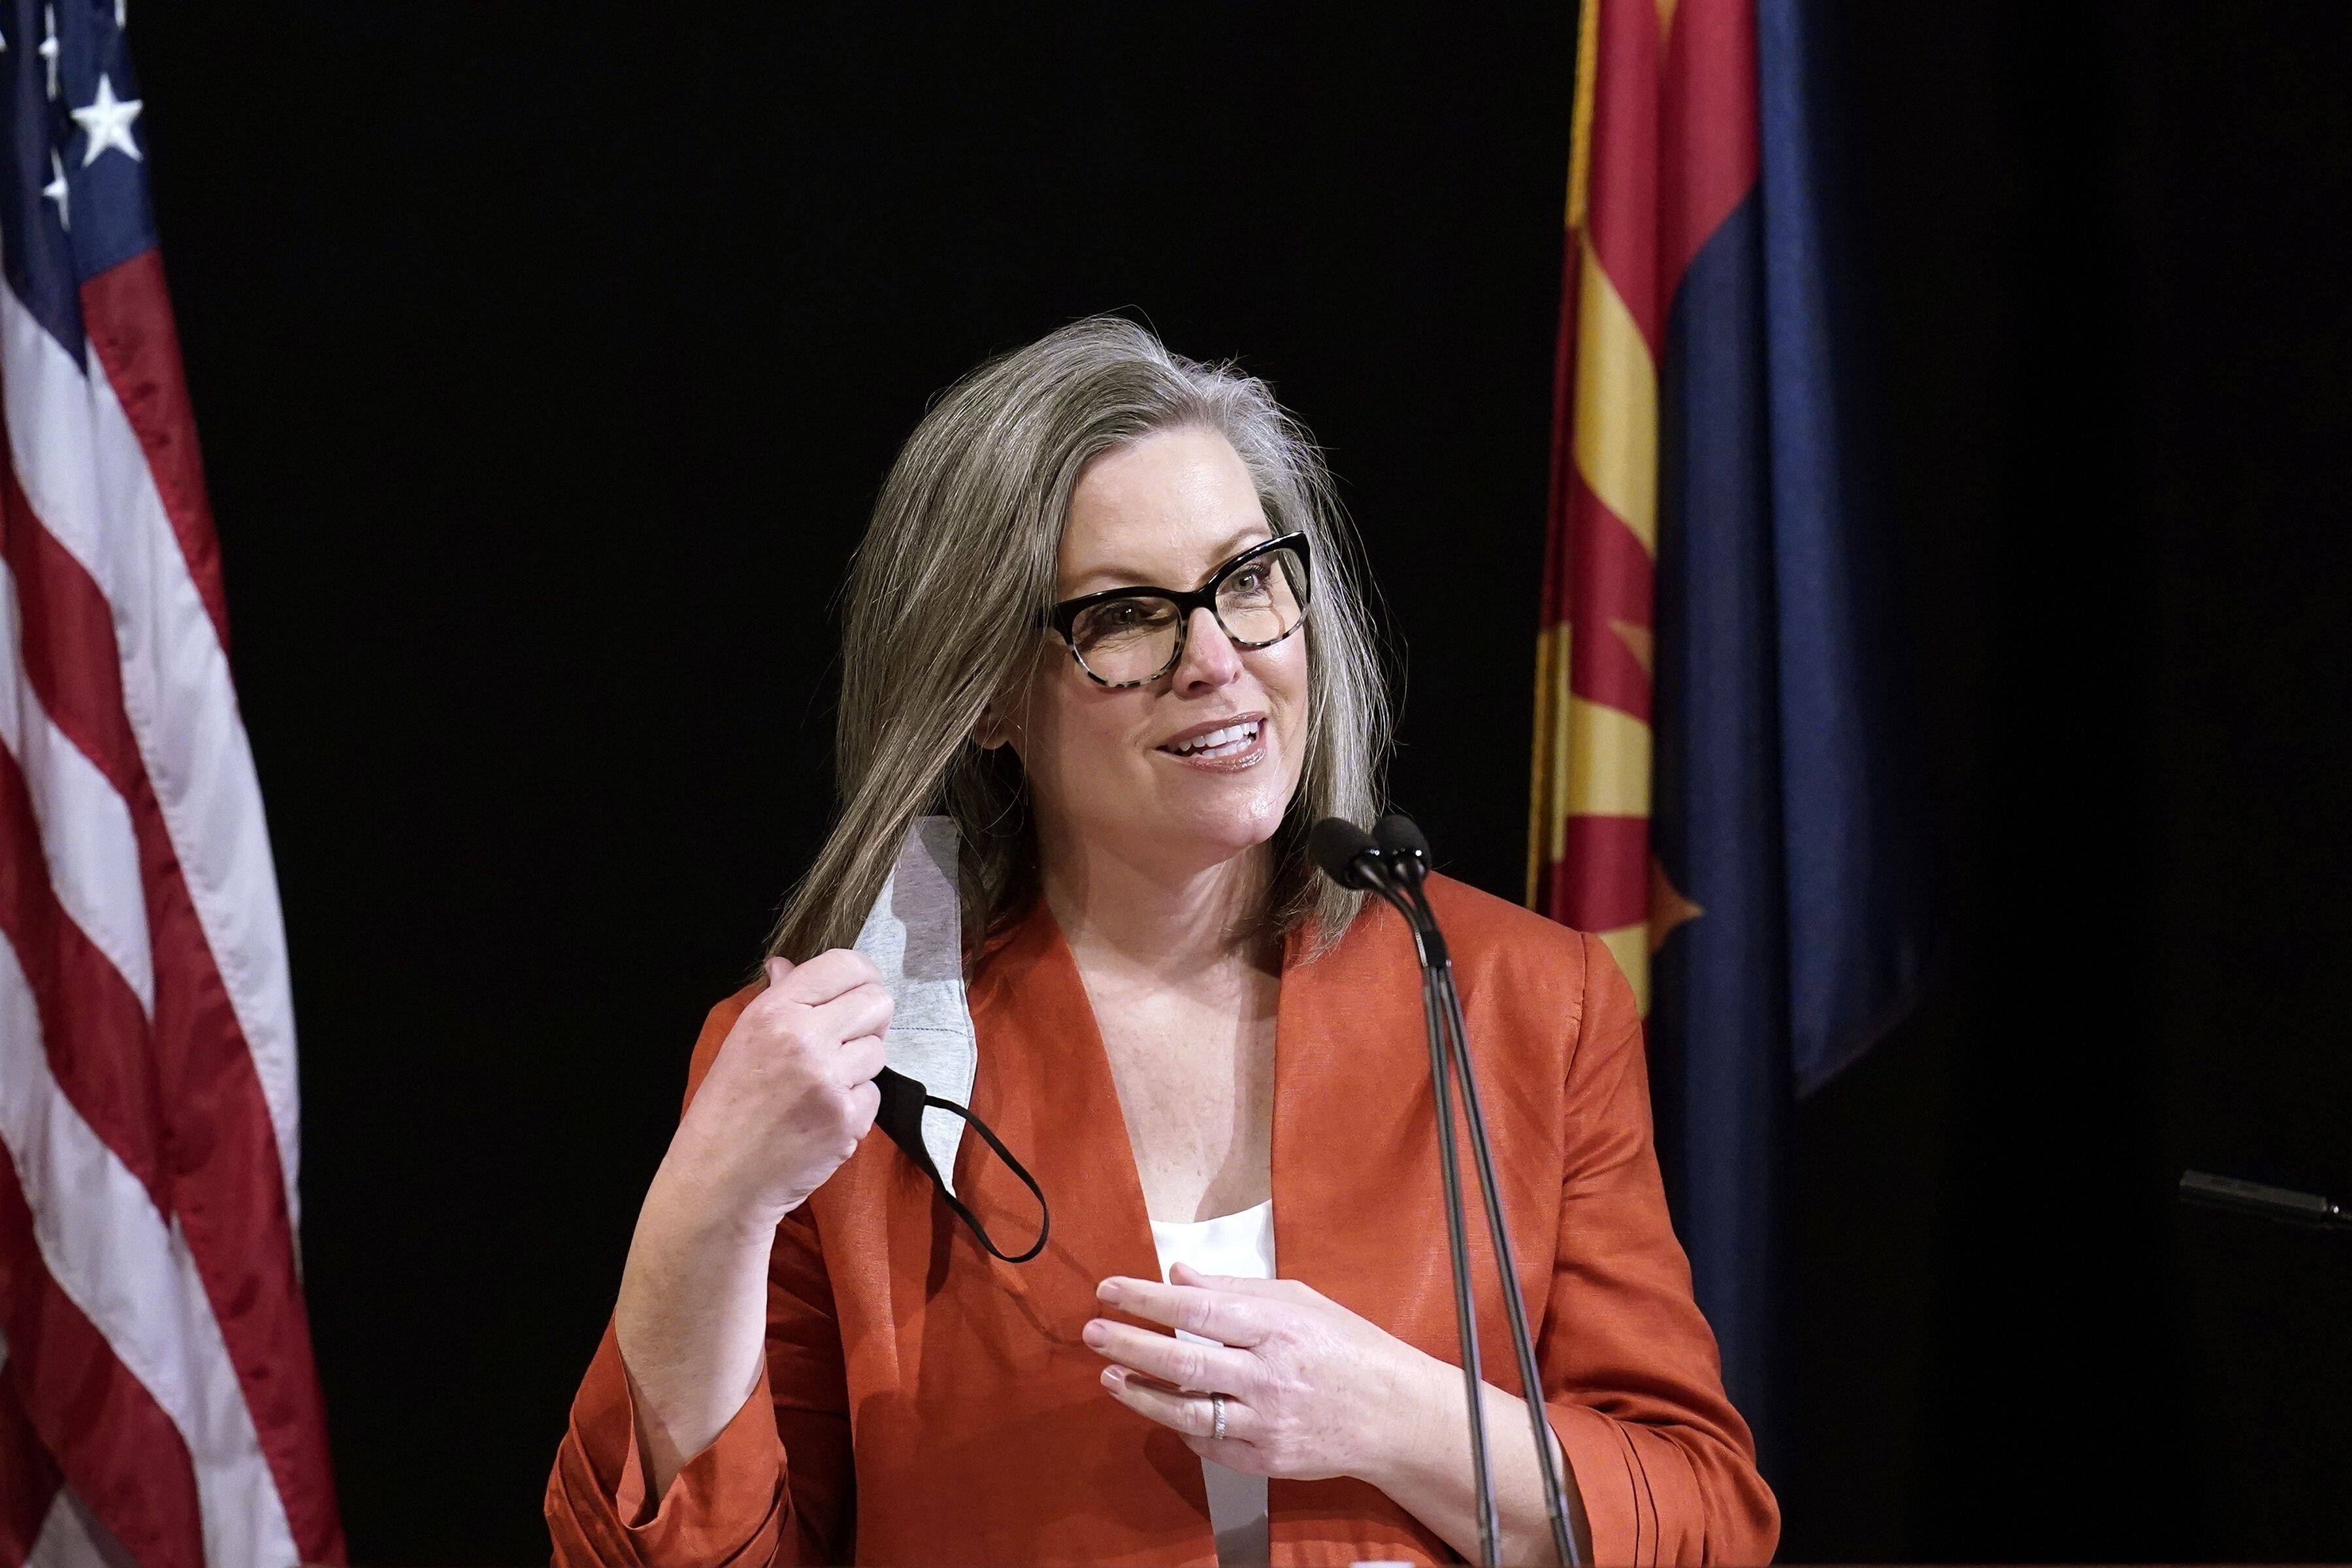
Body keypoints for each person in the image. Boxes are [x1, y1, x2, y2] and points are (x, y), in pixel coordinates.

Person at [544, 316, 1778, 1567]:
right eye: (1130, 614)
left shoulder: (1526, 1000)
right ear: (985, 694)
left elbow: (1701, 1519)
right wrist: (705, 1212)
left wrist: (1390, 1413)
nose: (1217, 659)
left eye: (1249, 581)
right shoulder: (840, 1071)